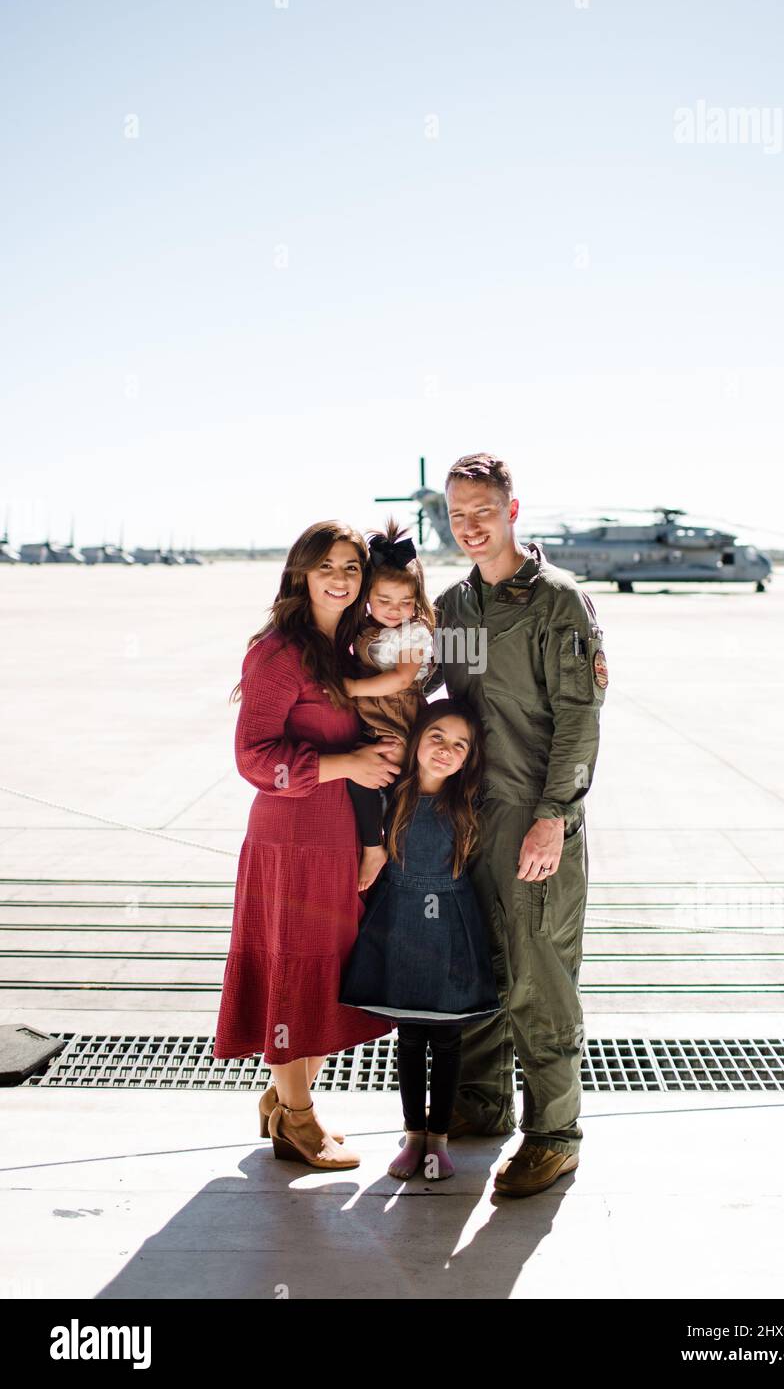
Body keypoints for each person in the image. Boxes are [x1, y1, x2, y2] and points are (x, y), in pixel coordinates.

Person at [422, 453, 607, 1198]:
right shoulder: (458, 608)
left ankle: (555, 1135)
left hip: (535, 822)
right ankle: (483, 1102)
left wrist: (553, 819)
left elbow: (578, 723)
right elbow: (423, 683)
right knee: (481, 967)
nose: (470, 527)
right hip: (471, 821)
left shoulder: (557, 603)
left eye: (483, 512)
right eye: (457, 514)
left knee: (540, 979)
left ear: (512, 511)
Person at [212, 520, 403, 1172]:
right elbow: (252, 757)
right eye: (327, 565)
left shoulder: (347, 653)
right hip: (290, 839)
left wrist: (372, 837)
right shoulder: (278, 652)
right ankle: (297, 1118)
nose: (341, 578)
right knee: (298, 973)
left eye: (352, 567)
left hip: (338, 837)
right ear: (301, 572)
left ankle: (280, 1096)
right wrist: (346, 764)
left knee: (325, 976)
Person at [339, 699, 500, 1182]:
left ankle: (439, 1141)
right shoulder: (393, 792)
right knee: (409, 1037)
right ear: (415, 739)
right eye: (436, 737)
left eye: (459, 745)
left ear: (470, 758)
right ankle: (413, 1136)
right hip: (402, 924)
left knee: (447, 1038)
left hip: (450, 926)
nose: (446, 751)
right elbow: (356, 780)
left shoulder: (470, 804)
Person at [342, 518, 436, 890]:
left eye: (405, 602)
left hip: (399, 721)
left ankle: (387, 855)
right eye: (384, 601)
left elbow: (400, 679)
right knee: (360, 779)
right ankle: (375, 846)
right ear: (367, 596)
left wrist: (349, 688)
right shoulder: (363, 626)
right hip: (372, 720)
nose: (395, 610)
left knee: (387, 784)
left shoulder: (413, 633)